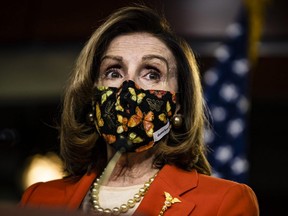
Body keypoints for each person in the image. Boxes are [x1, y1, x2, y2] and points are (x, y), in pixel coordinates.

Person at [19, 5, 259, 216]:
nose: (129, 88)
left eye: (152, 74)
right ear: (92, 96)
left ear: (178, 105)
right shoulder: (39, 199)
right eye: (114, 72)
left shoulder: (224, 201)